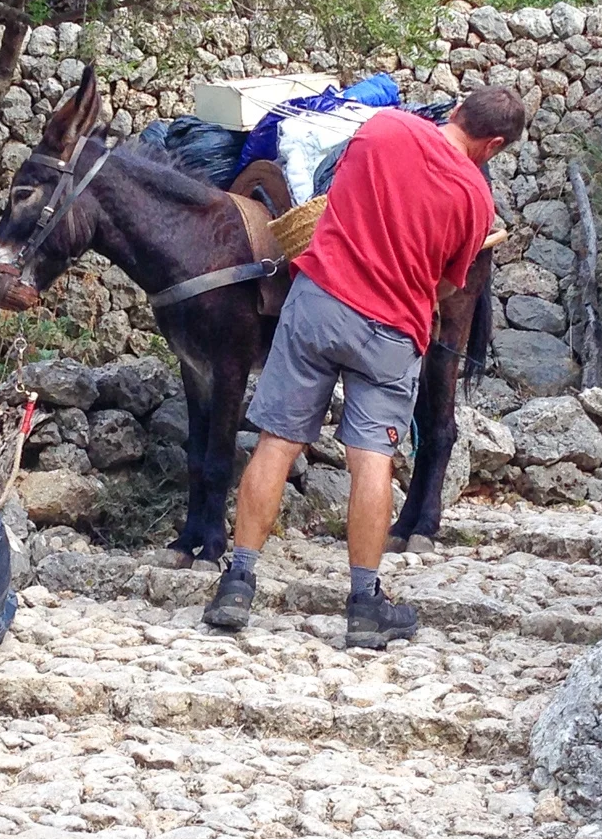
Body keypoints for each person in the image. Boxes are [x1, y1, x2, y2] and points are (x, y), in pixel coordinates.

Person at [201, 86, 527, 648]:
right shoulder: (477, 200)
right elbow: (449, 283)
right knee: (371, 459)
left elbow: (332, 191)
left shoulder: (381, 129)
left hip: (319, 303)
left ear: (455, 112)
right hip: (392, 331)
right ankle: (363, 602)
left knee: (277, 443)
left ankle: (238, 581)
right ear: (493, 143)